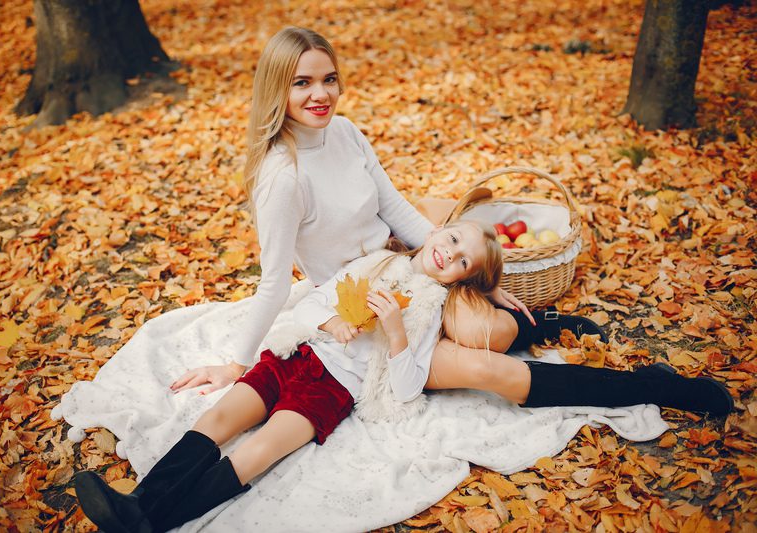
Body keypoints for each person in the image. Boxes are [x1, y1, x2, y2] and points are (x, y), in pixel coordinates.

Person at [168, 25, 731, 418]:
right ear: (278, 88)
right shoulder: (282, 176)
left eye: (329, 79)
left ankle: (541, 323)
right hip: (362, 303)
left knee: (490, 317)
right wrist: (237, 363)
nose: (321, 95)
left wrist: (484, 280)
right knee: (492, 369)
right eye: (302, 83)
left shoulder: (345, 132)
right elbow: (272, 281)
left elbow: (394, 206)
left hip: (401, 265)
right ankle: (652, 388)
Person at [75, 218, 502, 532]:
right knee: (220, 419)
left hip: (332, 390)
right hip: (295, 355)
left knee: (261, 449)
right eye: (452, 238)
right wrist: (331, 323)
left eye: (463, 260)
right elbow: (313, 305)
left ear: (462, 278)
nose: (450, 253)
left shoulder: (429, 311)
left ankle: (151, 522)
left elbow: (407, 388)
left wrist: (395, 334)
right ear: (433, 233)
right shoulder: (379, 262)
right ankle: (138, 502)